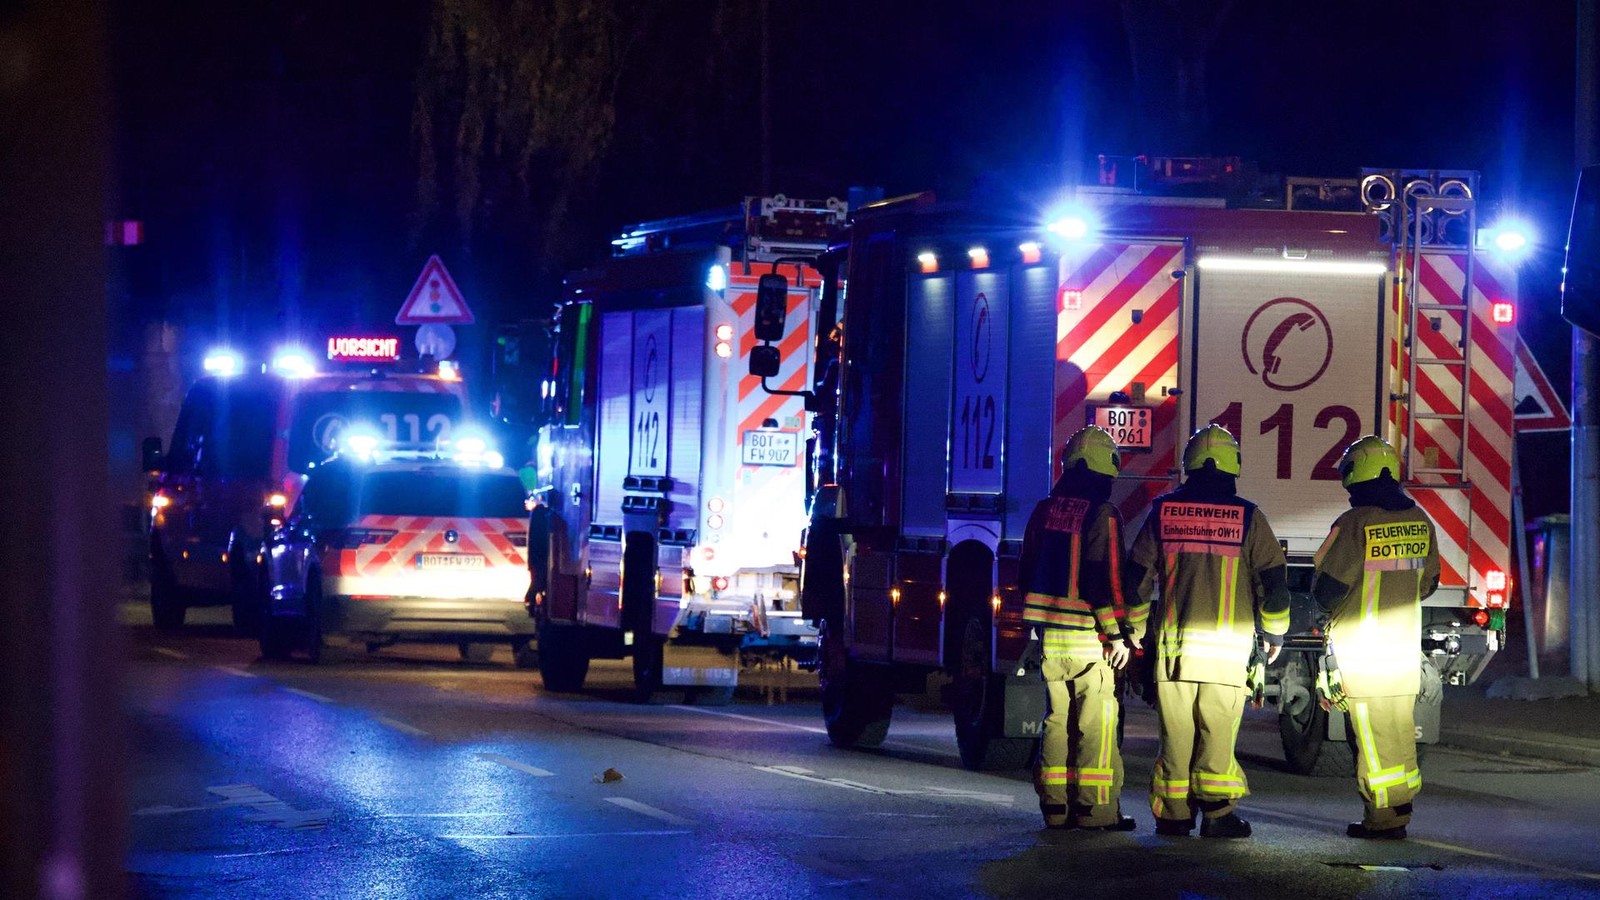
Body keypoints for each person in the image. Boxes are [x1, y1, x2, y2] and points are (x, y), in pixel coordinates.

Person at [1125, 424, 1291, 838]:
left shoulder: (1163, 512)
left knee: (1176, 736)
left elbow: (1136, 579)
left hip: (1174, 653)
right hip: (1226, 654)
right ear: (1233, 468)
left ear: (1189, 465)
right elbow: (1273, 581)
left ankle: (1173, 815)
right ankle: (1217, 815)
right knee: (1216, 734)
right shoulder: (1248, 517)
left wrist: (1131, 631)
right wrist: (1273, 635)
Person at [1311, 435, 1439, 840]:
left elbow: (1328, 587)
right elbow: (1429, 582)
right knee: (1398, 739)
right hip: (1402, 655)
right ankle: (1399, 811)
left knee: (1368, 739)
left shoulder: (1355, 523)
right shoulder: (1420, 521)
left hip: (1363, 655)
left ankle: (1382, 819)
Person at [1018, 426, 1138, 831]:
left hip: (1051, 637)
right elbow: (1102, 579)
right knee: (1096, 723)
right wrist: (1117, 634)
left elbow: (1026, 571)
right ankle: (1094, 810)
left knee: (1056, 720)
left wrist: (1035, 627)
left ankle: (1055, 807)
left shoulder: (1043, 510)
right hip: (1090, 639)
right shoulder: (1102, 515)